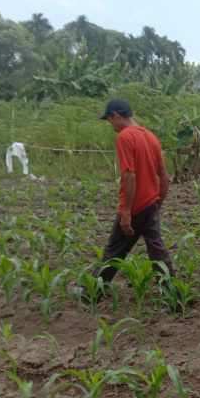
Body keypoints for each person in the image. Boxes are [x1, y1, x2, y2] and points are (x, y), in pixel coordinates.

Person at [71, 98, 175, 304]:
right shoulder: (151, 137)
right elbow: (164, 177)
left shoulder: (125, 137)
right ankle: (174, 299)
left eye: (110, 120)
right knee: (158, 253)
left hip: (135, 207)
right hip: (150, 206)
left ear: (116, 116)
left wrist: (127, 211)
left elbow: (129, 175)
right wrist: (157, 204)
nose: (111, 125)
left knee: (114, 251)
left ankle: (90, 294)